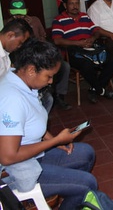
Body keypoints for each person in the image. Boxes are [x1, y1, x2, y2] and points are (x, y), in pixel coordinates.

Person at [0, 38, 98, 209]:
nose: (51, 81)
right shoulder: (12, 99)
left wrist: (51, 138)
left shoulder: (18, 77)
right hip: (17, 170)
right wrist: (55, 142)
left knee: (87, 153)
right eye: (49, 76)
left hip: (32, 155)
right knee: (88, 184)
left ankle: (70, 189)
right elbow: (8, 157)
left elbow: (29, 119)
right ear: (31, 70)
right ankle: (75, 190)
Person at [52, 0, 113, 104]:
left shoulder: (84, 16)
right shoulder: (59, 20)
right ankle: (101, 91)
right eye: (71, 4)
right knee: (86, 65)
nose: (75, 6)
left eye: (77, 3)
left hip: (91, 49)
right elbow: (57, 40)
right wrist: (78, 43)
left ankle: (95, 89)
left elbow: (96, 31)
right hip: (73, 52)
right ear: (65, 5)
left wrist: (92, 39)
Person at [8, 0, 72, 110]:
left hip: (39, 54)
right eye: (15, 14)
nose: (19, 16)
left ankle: (59, 96)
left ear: (26, 10)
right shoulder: (8, 25)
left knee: (64, 66)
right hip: (22, 59)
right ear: (10, 12)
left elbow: (43, 38)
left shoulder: (35, 21)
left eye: (21, 13)